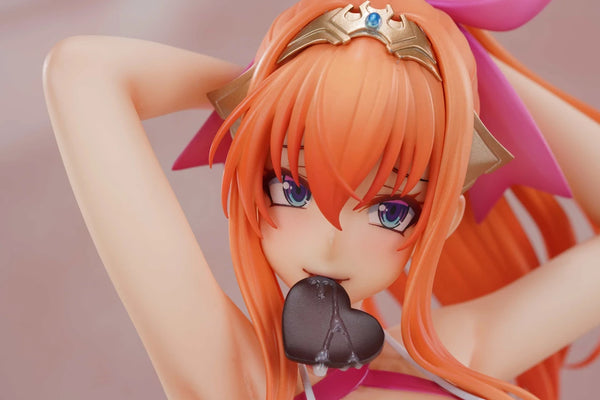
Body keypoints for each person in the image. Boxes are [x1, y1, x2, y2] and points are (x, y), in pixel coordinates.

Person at [43, 0, 600, 399]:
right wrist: (278, 100)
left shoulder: (457, 354)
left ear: (442, 219)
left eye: (389, 211)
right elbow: (82, 72)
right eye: (294, 188)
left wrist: (458, 69)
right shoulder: (239, 379)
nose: (333, 243)